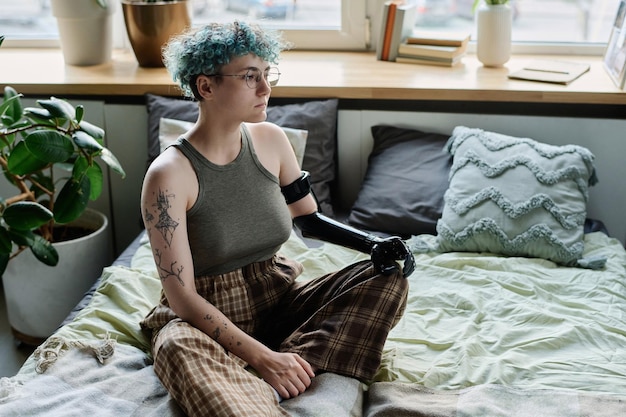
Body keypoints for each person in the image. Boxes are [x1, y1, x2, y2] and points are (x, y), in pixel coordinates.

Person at [139, 21, 415, 417]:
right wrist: (264, 358)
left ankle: (272, 368)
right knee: (175, 347)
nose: (266, 89)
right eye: (250, 77)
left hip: (278, 298)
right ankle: (261, 380)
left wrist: (373, 244)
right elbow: (182, 297)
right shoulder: (169, 175)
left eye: (267, 75)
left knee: (387, 277)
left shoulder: (272, 140)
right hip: (203, 316)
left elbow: (310, 221)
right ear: (206, 86)